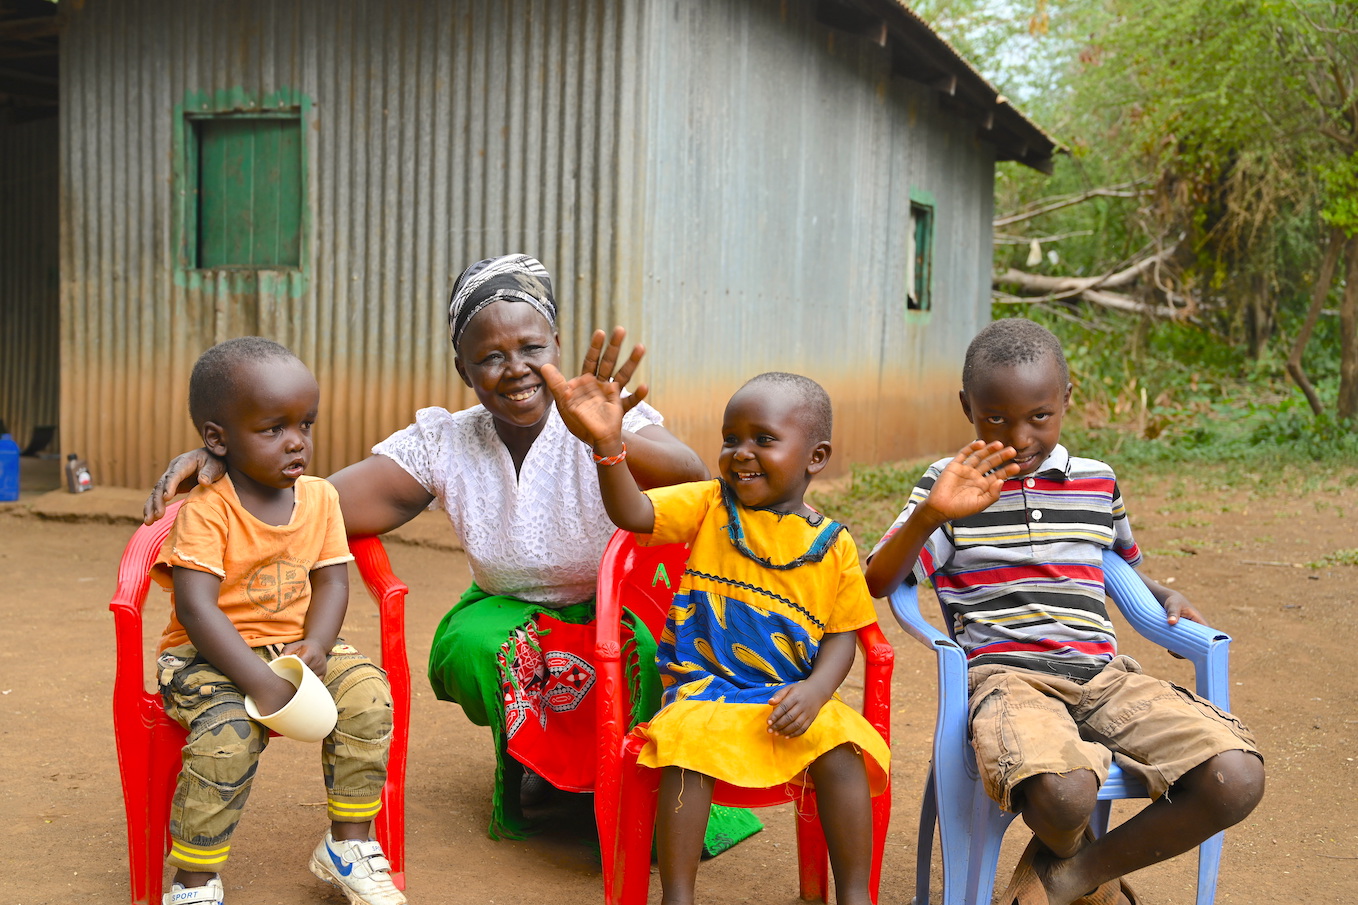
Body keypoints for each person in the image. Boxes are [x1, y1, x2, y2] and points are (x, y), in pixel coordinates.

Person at [143, 255, 757, 852]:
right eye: (490, 357)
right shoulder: (447, 441)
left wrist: (606, 436)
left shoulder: (606, 412)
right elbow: (318, 505)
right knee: (473, 648)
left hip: (619, 609)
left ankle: (624, 790)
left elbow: (693, 477)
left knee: (631, 658)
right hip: (511, 609)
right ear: (464, 371)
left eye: (532, 349)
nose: (514, 368)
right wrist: (227, 469)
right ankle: (547, 772)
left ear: (559, 348)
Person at [863, 318, 1265, 905]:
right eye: (995, 418)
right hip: (1009, 681)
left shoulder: (1097, 483)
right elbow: (880, 580)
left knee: (1236, 778)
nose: (1020, 437)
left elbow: (1109, 561)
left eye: (1039, 417)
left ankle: (1070, 876)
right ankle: (1085, 876)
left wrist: (1159, 595)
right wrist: (932, 514)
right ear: (966, 407)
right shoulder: (949, 485)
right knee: (1065, 794)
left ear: (1067, 401)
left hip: (1105, 678)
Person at [543, 366, 892, 905]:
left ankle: (854, 896)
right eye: (731, 439)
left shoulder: (833, 545)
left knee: (843, 747)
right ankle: (677, 896)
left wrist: (816, 691)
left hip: (788, 697)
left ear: (815, 458)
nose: (741, 452)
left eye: (764, 439)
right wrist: (609, 448)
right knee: (687, 743)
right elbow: (632, 512)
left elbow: (844, 635)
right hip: (703, 687)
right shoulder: (710, 505)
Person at [151, 337, 402, 905]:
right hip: (207, 656)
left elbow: (332, 580)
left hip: (295, 647)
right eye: (273, 429)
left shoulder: (319, 499)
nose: (297, 443)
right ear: (218, 439)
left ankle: (347, 846)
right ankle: (194, 879)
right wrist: (261, 682)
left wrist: (317, 643)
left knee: (368, 696)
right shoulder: (208, 509)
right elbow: (196, 609)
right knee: (228, 737)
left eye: (305, 425)